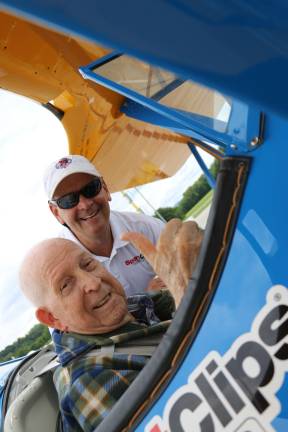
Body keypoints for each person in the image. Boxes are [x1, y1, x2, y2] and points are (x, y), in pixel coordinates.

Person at [19, 219, 203, 432]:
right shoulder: (88, 380)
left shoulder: (139, 306)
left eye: (87, 264)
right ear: (53, 319)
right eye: (66, 285)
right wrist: (186, 294)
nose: (93, 282)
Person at [43, 155, 166, 296]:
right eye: (68, 200)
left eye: (91, 188)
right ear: (56, 213)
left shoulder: (145, 227)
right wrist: (150, 299)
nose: (85, 204)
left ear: (106, 189)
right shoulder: (60, 267)